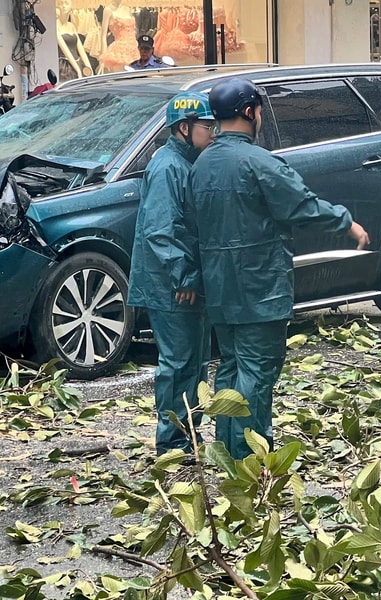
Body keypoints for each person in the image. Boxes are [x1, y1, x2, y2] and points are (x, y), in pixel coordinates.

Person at [188, 79, 370, 459]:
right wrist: (346, 223)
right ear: (250, 112)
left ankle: (226, 449)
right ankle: (251, 456)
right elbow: (301, 205)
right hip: (260, 288)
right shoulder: (260, 162)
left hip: (220, 288)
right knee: (257, 373)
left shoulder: (202, 165)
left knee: (231, 368)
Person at [128, 92, 217, 457]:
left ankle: (188, 436)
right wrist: (184, 277)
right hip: (171, 286)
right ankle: (172, 441)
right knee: (178, 364)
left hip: (184, 282)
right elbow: (161, 230)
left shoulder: (184, 163)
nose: (212, 132)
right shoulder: (167, 167)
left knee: (195, 364)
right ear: (184, 127)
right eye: (206, 125)